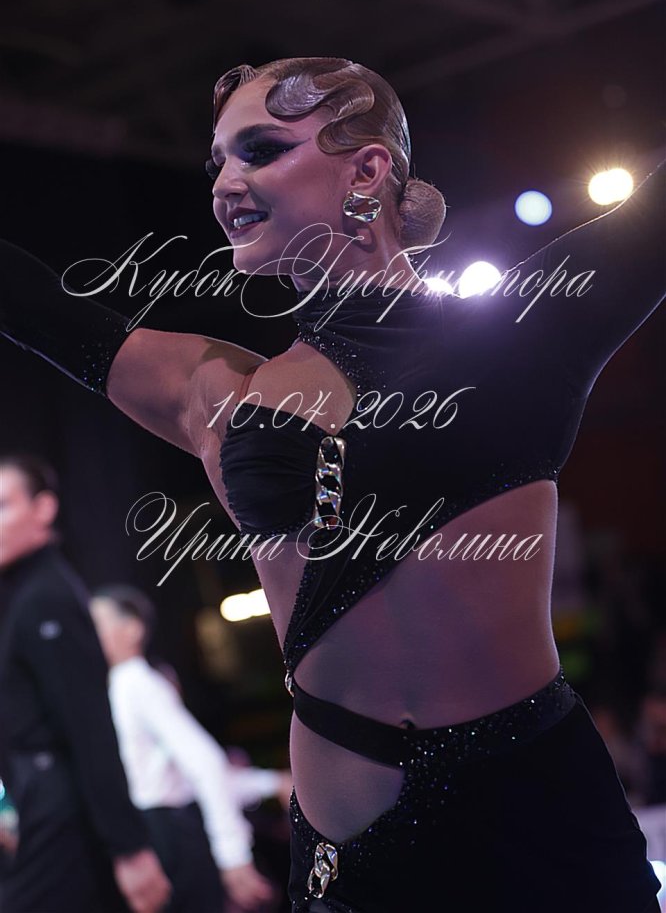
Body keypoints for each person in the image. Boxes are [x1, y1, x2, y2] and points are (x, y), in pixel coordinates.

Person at [0, 56, 664, 911]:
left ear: (368, 168)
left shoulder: (528, 335)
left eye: (260, 149)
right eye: (218, 163)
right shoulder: (218, 389)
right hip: (354, 861)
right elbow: (32, 301)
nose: (226, 184)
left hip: (543, 818)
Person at [0, 454, 172, 913]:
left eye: (3, 505)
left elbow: (88, 726)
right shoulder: (23, 597)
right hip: (40, 803)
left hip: (63, 807)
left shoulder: (48, 597)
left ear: (43, 508)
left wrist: (130, 847)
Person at [89, 584, 288, 912]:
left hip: (168, 832)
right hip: (159, 829)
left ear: (132, 629)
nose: (90, 634)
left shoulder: (137, 682)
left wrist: (232, 854)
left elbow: (205, 763)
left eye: (97, 624)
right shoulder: (122, 684)